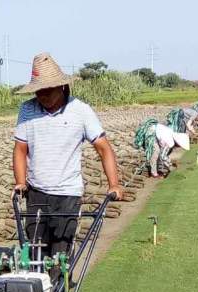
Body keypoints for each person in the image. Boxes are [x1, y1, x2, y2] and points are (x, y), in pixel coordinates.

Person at [12, 53, 124, 267]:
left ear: (61, 86)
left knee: (60, 255)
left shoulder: (81, 111)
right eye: (39, 90)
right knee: (34, 254)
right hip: (36, 193)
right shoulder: (27, 109)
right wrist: (20, 181)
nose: (42, 95)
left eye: (47, 90)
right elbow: (20, 149)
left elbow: (104, 149)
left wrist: (114, 184)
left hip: (67, 195)